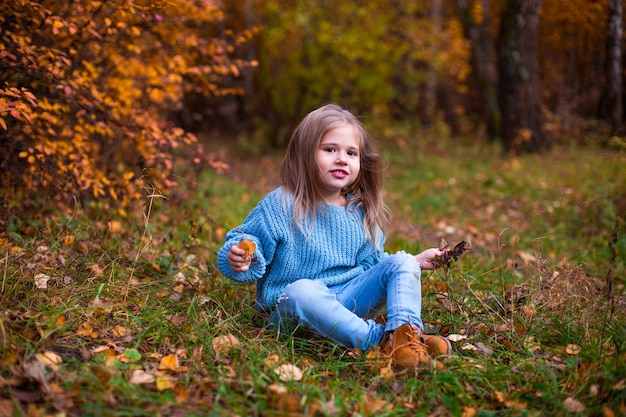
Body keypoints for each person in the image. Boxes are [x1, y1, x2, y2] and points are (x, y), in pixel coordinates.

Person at [217, 103, 452, 369]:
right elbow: (247, 239)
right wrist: (241, 256)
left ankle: (407, 335)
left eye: (351, 153)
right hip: (294, 312)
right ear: (305, 154)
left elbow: (372, 265)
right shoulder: (281, 204)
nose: (342, 158)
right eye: (330, 149)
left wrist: (415, 261)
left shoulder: (360, 211)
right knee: (302, 291)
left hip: (348, 303)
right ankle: (381, 340)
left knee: (402, 261)